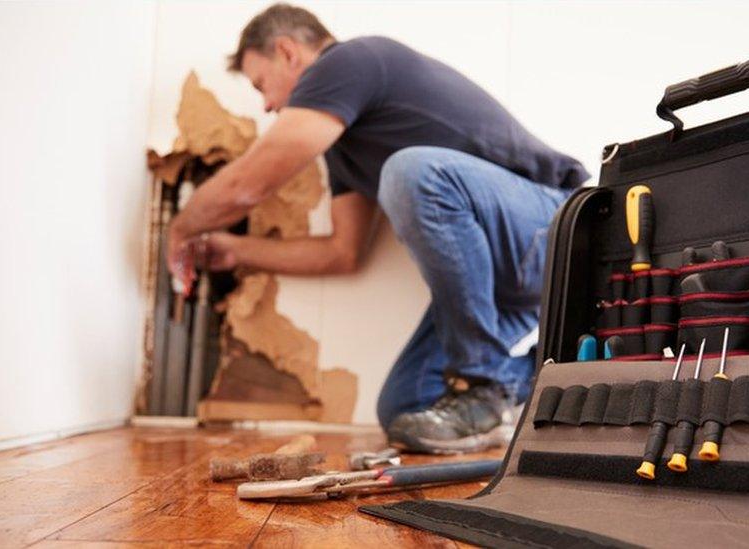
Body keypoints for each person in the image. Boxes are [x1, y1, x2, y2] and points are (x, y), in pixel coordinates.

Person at [168, 3, 589, 453]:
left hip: (553, 229)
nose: (268, 105)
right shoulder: (343, 149)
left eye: (261, 85)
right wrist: (235, 251)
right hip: (498, 283)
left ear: (288, 52)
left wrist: (180, 229)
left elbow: (252, 184)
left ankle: (482, 386)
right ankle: (555, 383)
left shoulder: (349, 62)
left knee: (411, 172)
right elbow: (342, 251)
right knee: (406, 406)